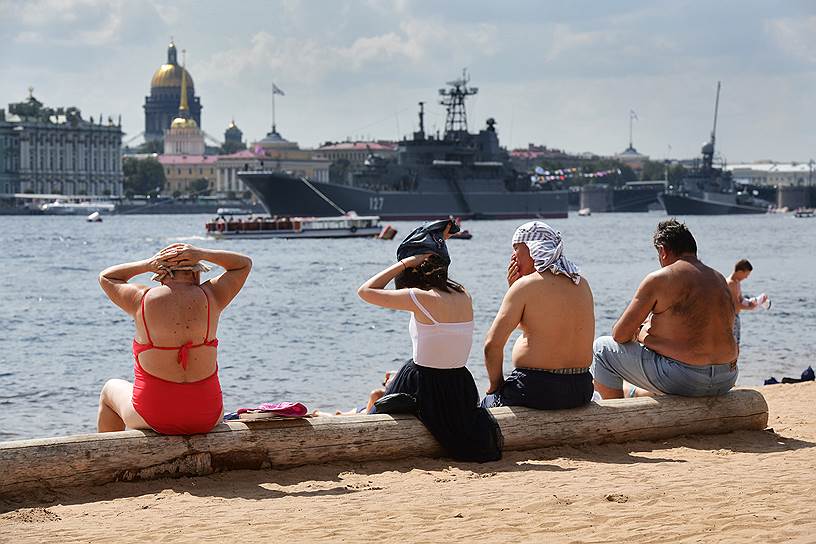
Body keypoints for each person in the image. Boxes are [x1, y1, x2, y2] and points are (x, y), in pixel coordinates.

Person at [357, 222, 502, 462]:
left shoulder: (420, 298)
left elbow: (365, 291)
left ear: (416, 269)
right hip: (459, 385)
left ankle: (357, 412)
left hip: (424, 385)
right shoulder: (463, 295)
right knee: (383, 391)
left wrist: (405, 262)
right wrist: (439, 242)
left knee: (378, 397)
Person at [97, 243, 252, 434]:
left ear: (161, 275)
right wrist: (202, 253)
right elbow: (243, 264)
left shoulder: (141, 299)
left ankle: (110, 460)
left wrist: (147, 264)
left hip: (155, 416)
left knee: (109, 388)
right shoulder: (213, 296)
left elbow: (107, 276)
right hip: (208, 416)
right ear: (196, 273)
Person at [592, 219, 738, 399]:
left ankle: (617, 417)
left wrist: (642, 333)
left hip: (686, 379)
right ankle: (635, 395)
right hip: (727, 378)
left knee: (601, 349)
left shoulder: (660, 278)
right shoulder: (719, 278)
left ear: (662, 251)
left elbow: (620, 335)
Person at [482, 221, 595, 410]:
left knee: (483, 408)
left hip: (537, 388)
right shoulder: (581, 282)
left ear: (532, 248)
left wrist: (496, 386)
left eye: (516, 249)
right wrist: (513, 288)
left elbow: (491, 345)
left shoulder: (526, 286)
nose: (513, 257)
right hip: (581, 387)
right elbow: (540, 326)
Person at [726, 259, 761, 344]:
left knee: (737, 343)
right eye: (746, 275)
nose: (746, 277)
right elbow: (735, 305)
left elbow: (741, 299)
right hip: (731, 318)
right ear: (740, 271)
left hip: (736, 317)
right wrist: (750, 308)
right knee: (733, 344)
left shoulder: (737, 282)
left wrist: (753, 302)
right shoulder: (731, 283)